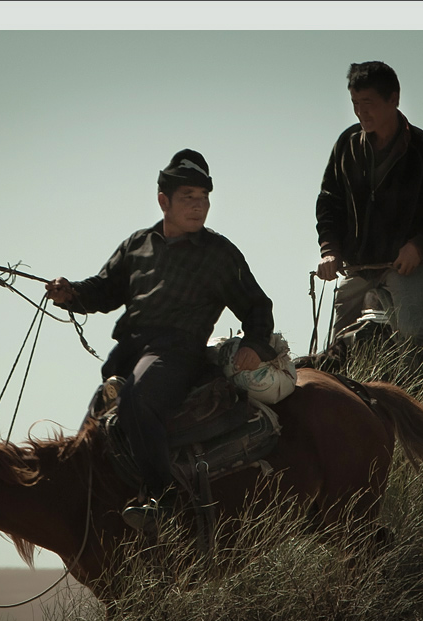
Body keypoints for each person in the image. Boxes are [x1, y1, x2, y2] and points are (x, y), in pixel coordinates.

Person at [45, 149, 277, 533]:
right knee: (92, 432)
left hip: (179, 352)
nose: (199, 206)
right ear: (163, 201)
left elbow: (257, 305)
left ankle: (161, 496)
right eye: (189, 197)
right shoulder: (138, 244)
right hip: (128, 355)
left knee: (138, 399)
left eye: (204, 198)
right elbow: (104, 290)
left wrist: (255, 343)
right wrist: (71, 294)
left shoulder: (218, 254)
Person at [315, 61, 423, 372]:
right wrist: (329, 249)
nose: (361, 113)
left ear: (394, 99)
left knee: (415, 332)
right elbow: (329, 202)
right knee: (336, 349)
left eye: (368, 104)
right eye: (355, 104)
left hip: (404, 267)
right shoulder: (347, 145)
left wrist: (419, 247)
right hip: (358, 267)